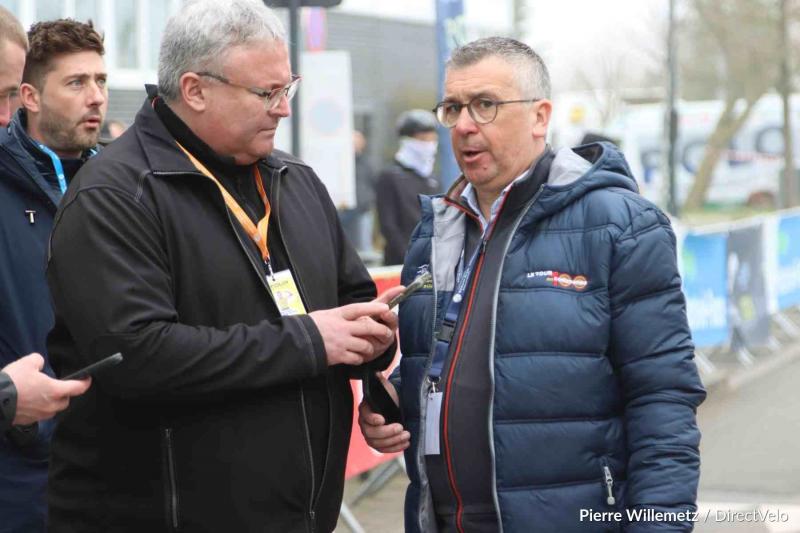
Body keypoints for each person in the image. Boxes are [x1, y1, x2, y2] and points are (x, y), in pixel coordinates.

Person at [45, 1, 401, 531]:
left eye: (288, 87)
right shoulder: (114, 197)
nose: (283, 109)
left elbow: (350, 300)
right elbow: (136, 357)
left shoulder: (295, 180)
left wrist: (373, 357)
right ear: (195, 90)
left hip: (301, 517)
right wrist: (310, 341)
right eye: (266, 93)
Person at [359, 37, 706, 532]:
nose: (464, 125)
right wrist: (395, 401)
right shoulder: (434, 230)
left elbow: (663, 399)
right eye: (453, 108)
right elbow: (449, 362)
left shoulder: (621, 225)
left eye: (485, 105)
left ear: (540, 117)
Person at [0, 15, 101, 531]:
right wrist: (6, 400)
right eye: (76, 82)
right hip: (19, 478)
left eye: (100, 80)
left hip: (103, 472)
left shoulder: (124, 186)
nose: (96, 96)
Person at [375, 109, 440, 265]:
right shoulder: (390, 176)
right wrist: (409, 258)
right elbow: (388, 226)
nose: (429, 145)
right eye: (423, 139)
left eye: (432, 139)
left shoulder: (432, 179)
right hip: (401, 263)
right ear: (407, 141)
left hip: (431, 261)